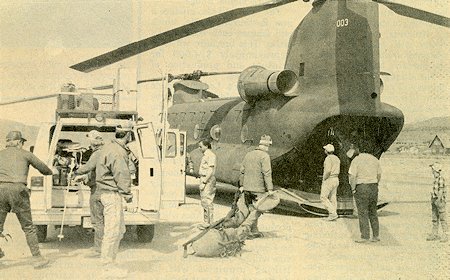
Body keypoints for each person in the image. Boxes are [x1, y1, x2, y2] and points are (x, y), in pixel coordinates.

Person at [77, 125, 133, 278]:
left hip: (103, 193)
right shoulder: (118, 151)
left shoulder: (108, 148)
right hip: (111, 194)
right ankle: (108, 267)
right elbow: (121, 173)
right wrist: (127, 193)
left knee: (119, 231)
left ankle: (110, 262)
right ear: (128, 135)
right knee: (113, 232)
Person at [0, 131, 53, 268]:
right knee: (28, 226)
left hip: (0, 189)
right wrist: (52, 171)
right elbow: (44, 169)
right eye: (22, 142)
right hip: (19, 190)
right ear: (18, 142)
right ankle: (37, 258)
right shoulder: (25, 154)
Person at [73, 130, 105, 257]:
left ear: (94, 141)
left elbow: (88, 167)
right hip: (104, 188)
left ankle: (98, 249)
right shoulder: (106, 151)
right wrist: (85, 177)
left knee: (98, 221)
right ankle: (103, 246)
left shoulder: (97, 153)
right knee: (102, 220)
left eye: (90, 140)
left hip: (97, 190)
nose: (89, 144)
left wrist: (76, 172)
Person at [239, 135, 275, 239]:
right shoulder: (264, 156)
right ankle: (244, 228)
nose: (268, 148)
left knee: (251, 208)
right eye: (268, 146)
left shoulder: (248, 154)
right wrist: (270, 189)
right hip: (258, 188)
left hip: (246, 187)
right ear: (266, 145)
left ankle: (254, 230)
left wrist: (241, 185)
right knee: (258, 209)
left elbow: (242, 171)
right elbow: (267, 173)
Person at [348, 146, 382, 243]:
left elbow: (352, 176)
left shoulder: (356, 160)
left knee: (362, 212)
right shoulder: (375, 160)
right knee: (373, 212)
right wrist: (375, 183)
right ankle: (376, 236)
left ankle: (365, 236)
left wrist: (353, 188)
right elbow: (379, 175)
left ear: (359, 150)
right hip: (373, 187)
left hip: (362, 187)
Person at [198, 139, 217, 229]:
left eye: (200, 146)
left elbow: (210, 170)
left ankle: (209, 223)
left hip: (207, 180)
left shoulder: (210, 155)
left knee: (208, 201)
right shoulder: (206, 155)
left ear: (206, 146)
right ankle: (206, 221)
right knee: (204, 201)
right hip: (204, 179)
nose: (199, 148)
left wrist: (205, 181)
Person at [426, 163, 447, 242]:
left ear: (436, 171)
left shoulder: (441, 179)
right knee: (434, 218)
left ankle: (446, 234)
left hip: (439, 201)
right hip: (434, 200)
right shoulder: (435, 180)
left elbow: (441, 190)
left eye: (433, 170)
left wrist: (438, 200)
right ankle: (435, 234)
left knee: (442, 218)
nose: (432, 172)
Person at [320, 144, 340, 221]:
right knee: (333, 197)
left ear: (326, 151)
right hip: (336, 178)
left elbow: (328, 171)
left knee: (323, 197)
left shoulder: (328, 159)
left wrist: (324, 178)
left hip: (329, 179)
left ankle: (333, 213)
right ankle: (333, 213)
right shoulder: (337, 158)